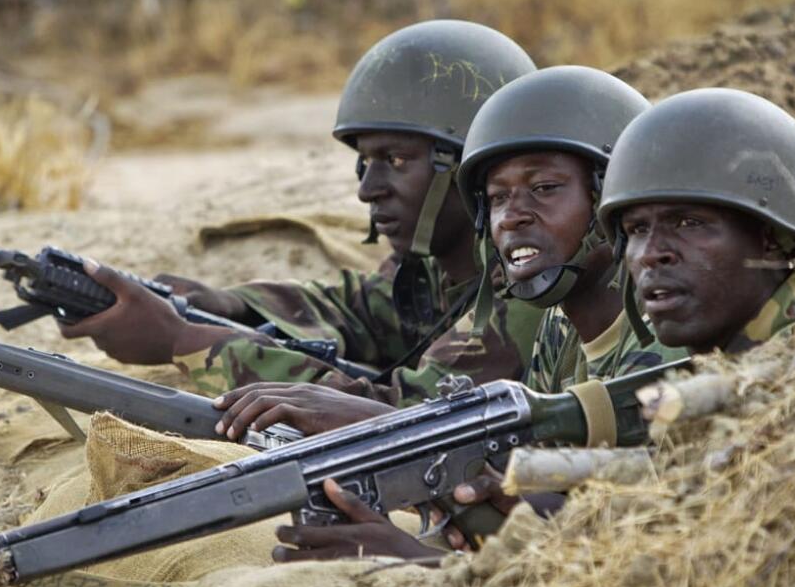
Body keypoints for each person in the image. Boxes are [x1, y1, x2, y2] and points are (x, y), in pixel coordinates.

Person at [266, 66, 685, 561]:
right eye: (498, 198)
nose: (512, 216)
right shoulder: (559, 327)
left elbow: (644, 536)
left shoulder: (667, 334)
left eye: (545, 188)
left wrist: (418, 561)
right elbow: (555, 498)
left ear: (610, 197)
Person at [61, 21, 542, 423]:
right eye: (364, 163)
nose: (367, 189)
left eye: (394, 160)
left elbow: (405, 420)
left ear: (471, 169)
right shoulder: (445, 267)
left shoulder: (528, 284)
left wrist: (182, 342)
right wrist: (228, 308)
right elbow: (360, 312)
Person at [596, 87, 795, 355]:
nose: (649, 255)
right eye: (637, 229)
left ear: (772, 238)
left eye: (688, 223)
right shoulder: (730, 355)